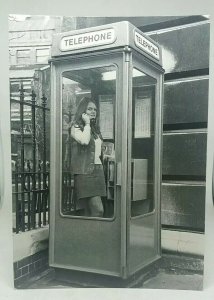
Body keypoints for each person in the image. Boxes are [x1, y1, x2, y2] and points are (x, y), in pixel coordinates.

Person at [68, 97, 106, 217]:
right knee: (98, 210)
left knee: (90, 211)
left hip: (98, 171)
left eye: (95, 109)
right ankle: (94, 235)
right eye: (89, 109)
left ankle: (90, 234)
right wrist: (88, 123)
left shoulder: (94, 129)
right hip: (85, 172)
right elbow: (84, 141)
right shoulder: (76, 127)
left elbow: (96, 151)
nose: (93, 111)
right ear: (83, 111)